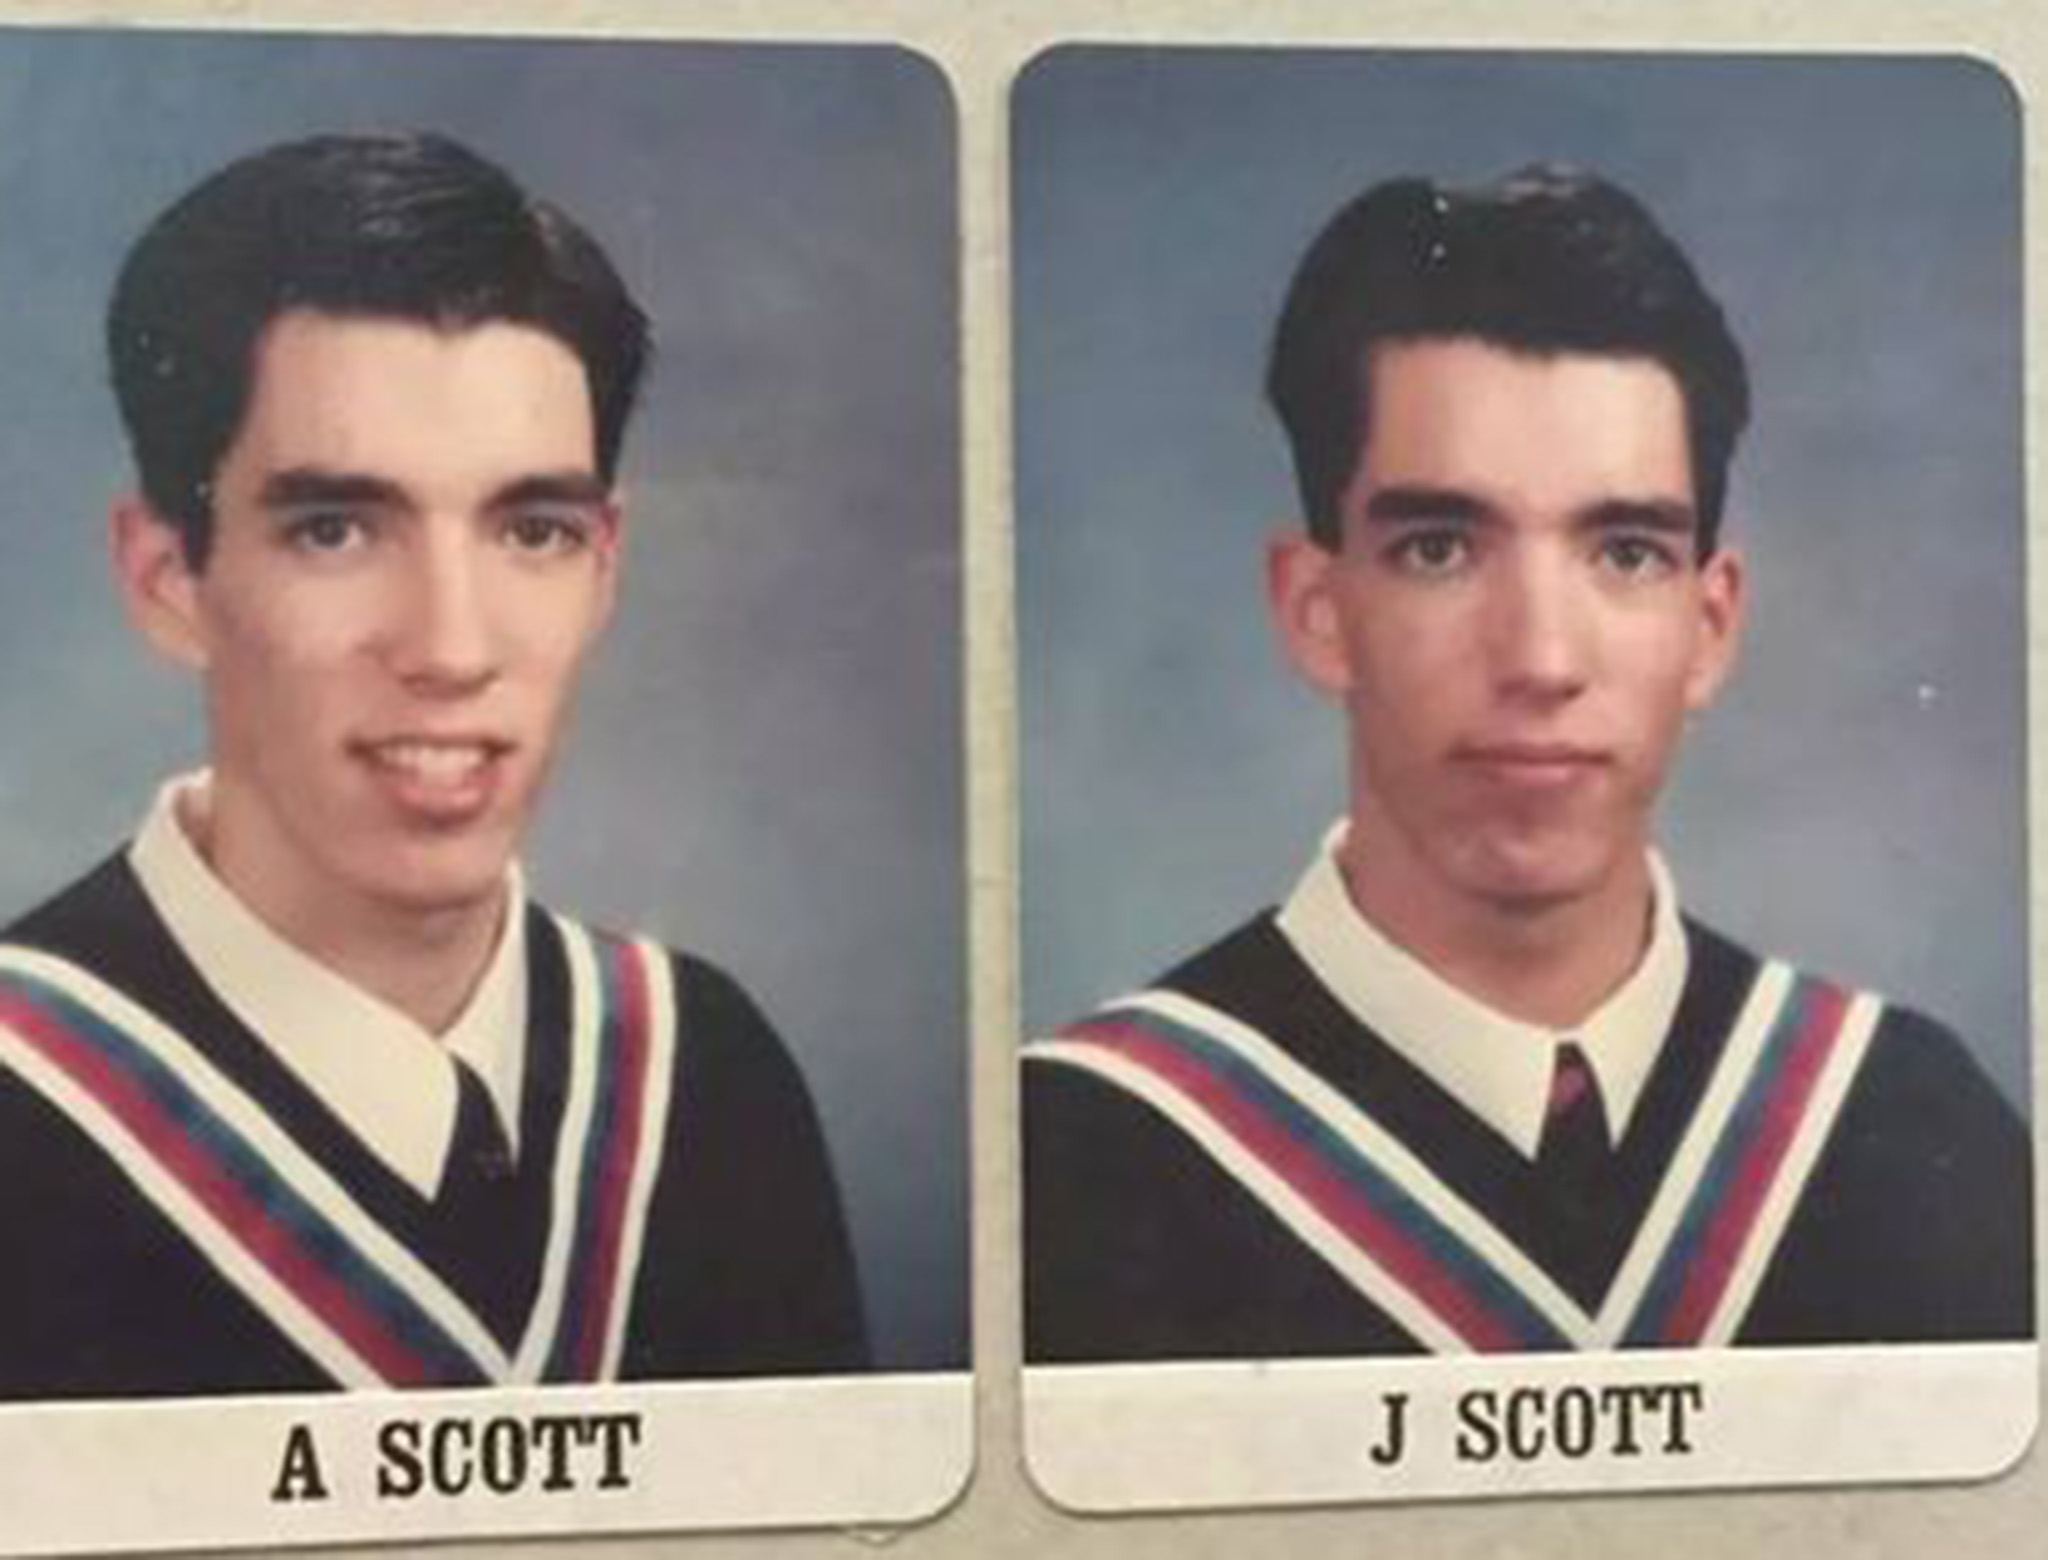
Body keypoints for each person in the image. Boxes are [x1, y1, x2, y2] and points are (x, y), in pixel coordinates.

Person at [1024, 166, 2032, 1362]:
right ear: (1315, 610)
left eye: (1624, 552)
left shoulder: (1909, 1131)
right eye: (1440, 548)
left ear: (1708, 627)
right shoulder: (1078, 1160)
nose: (1541, 658)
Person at [0, 132, 867, 1398]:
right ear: (169, 578)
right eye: (336, 528)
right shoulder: (31, 1100)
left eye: (532, 529)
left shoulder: (708, 1077)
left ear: (605, 566)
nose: (452, 648)